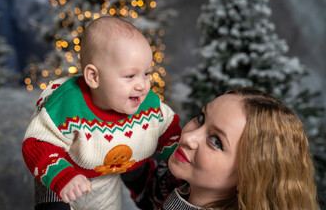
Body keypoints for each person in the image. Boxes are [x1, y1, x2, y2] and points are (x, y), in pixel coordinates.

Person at [22, 16, 181, 210]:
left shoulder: (149, 106)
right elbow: (37, 144)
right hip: (60, 174)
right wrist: (62, 176)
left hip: (105, 175)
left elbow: (170, 129)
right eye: (130, 76)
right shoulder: (68, 105)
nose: (142, 85)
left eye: (146, 73)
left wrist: (178, 156)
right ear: (94, 77)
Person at [124, 88, 320, 210]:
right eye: (201, 119)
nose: (189, 137)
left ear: (249, 177)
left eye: (216, 141)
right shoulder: (176, 183)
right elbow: (148, 186)